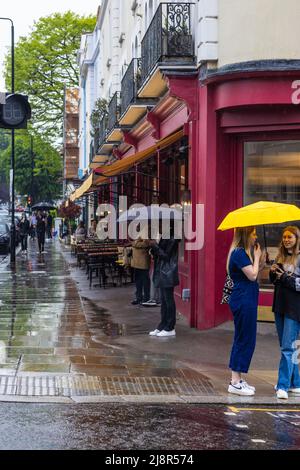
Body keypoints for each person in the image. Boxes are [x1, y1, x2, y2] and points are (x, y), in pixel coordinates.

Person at [226, 226, 264, 396]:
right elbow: (252, 276)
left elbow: (255, 272)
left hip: (246, 298)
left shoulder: (242, 253)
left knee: (244, 337)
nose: (255, 237)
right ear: (246, 234)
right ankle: (235, 381)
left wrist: (259, 259)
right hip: (243, 299)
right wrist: (256, 257)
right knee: (244, 339)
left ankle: (238, 379)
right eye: (253, 233)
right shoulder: (239, 253)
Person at [269, 226, 300, 400]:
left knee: (288, 347)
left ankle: (283, 385)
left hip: (294, 308)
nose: (287, 239)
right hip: (279, 305)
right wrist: (273, 273)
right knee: (287, 345)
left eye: (290, 237)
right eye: (284, 237)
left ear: (297, 238)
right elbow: (276, 281)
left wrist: (285, 278)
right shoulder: (280, 256)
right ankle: (296, 383)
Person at [148, 228, 179, 337]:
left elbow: (166, 256)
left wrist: (155, 246)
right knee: (163, 300)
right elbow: (159, 253)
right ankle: (162, 324)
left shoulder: (173, 238)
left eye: (161, 224)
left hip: (167, 272)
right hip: (162, 272)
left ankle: (170, 327)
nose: (159, 227)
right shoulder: (164, 236)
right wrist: (153, 247)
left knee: (168, 300)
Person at [130, 237, 151, 305]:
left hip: (143, 261)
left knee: (145, 281)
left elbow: (145, 244)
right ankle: (139, 298)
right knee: (138, 281)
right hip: (136, 262)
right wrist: (136, 242)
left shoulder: (145, 232)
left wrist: (135, 243)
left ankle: (146, 298)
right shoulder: (137, 234)